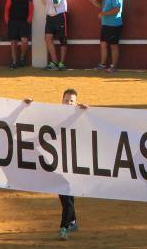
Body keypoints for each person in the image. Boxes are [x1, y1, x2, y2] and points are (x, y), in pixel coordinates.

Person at [23, 88, 88, 240]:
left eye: (72, 101)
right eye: (66, 100)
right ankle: (71, 222)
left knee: (67, 195)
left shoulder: (81, 116)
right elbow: (36, 117)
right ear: (61, 101)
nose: (68, 103)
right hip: (56, 164)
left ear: (76, 103)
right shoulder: (54, 116)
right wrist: (27, 106)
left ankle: (65, 227)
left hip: (74, 165)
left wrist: (86, 110)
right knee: (66, 195)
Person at [87, 0, 123, 72]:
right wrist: (93, 0)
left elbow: (117, 10)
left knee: (113, 46)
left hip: (114, 25)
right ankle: (102, 65)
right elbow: (101, 6)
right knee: (103, 44)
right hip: (106, 24)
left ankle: (113, 67)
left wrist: (103, 14)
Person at [35, 0, 68, 71]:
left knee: (63, 40)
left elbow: (56, 2)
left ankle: (62, 63)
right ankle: (54, 62)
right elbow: (46, 3)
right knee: (48, 39)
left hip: (59, 16)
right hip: (49, 16)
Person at [4, 0, 33, 69]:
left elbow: (31, 8)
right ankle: (14, 61)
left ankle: (22, 57)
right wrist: (7, 19)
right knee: (13, 42)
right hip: (13, 20)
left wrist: (29, 19)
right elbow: (7, 7)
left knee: (24, 40)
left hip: (24, 21)